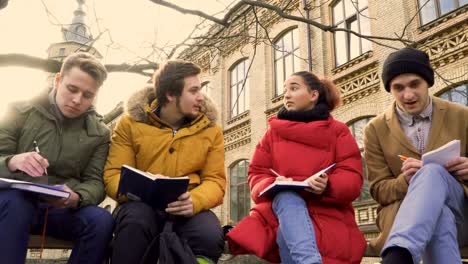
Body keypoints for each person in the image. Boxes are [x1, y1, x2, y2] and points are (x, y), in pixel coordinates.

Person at [226, 71, 366, 264]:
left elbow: (352, 176)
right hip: (278, 213)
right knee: (286, 196)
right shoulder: (271, 135)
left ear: (313, 95)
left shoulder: (338, 132)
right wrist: (273, 182)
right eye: (285, 90)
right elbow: (256, 174)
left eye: (294, 88)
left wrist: (328, 185)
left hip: (327, 213)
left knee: (289, 230)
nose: (286, 95)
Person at [104, 60, 226, 264]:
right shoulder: (130, 123)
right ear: (170, 94)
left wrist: (194, 201)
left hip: (187, 205)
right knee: (135, 223)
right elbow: (113, 175)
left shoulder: (211, 130)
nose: (200, 97)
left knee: (209, 234)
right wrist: (143, 187)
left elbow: (215, 181)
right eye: (193, 90)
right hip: (139, 204)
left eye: (200, 89)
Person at [0, 52, 114, 264]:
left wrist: (77, 197)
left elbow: (95, 181)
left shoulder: (100, 133)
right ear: (58, 80)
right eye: (72, 89)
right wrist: (12, 162)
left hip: (59, 209)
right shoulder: (18, 111)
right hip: (12, 202)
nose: (77, 100)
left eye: (88, 95)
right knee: (15, 205)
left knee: (101, 221)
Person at [363, 47, 468, 264]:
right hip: (403, 217)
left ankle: (398, 255)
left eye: (414, 84)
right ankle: (400, 253)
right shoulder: (375, 129)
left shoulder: (462, 116)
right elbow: (378, 190)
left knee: (431, 171)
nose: (408, 95)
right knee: (440, 216)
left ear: (428, 82)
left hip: (463, 216)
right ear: (389, 89)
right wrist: (405, 181)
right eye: (398, 88)